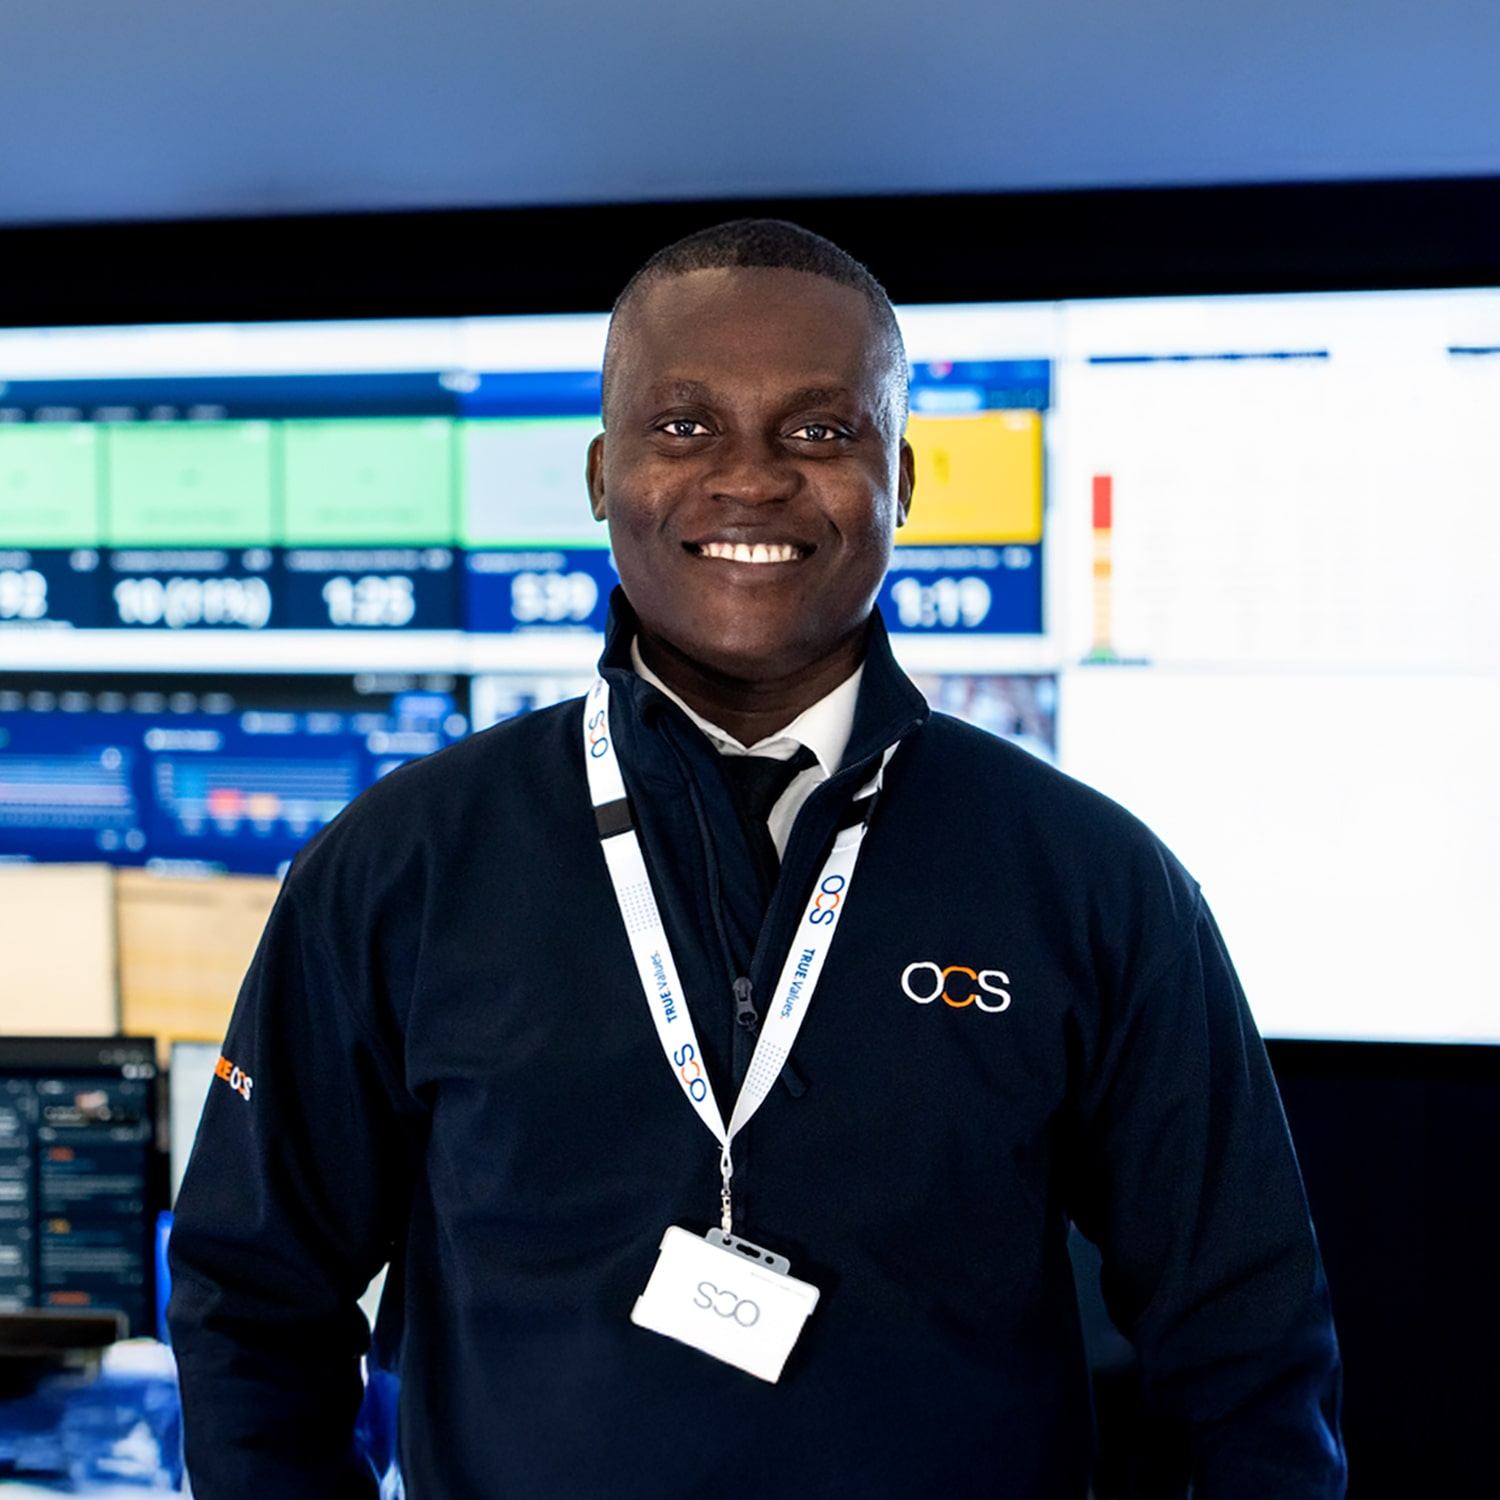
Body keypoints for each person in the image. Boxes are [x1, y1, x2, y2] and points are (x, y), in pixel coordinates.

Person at [168, 219, 1346, 1497]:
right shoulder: (401, 865)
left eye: (819, 431)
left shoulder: (1093, 882)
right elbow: (250, 1296)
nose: (751, 478)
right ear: (599, 472)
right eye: (682, 427)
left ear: (901, 477)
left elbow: (1246, 1354)